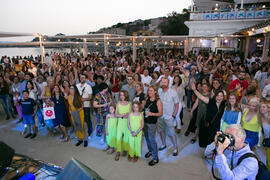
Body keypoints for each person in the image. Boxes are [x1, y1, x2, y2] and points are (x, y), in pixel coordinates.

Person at [192, 82, 226, 147]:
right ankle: (206, 152)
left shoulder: (223, 104)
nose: (219, 97)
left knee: (214, 141)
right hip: (207, 125)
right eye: (218, 95)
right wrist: (194, 90)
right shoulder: (210, 102)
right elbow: (201, 97)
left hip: (216, 126)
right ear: (215, 96)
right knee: (206, 141)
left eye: (221, 96)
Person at [158, 77, 179, 156]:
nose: (163, 84)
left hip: (169, 117)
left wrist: (173, 116)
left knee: (172, 133)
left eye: (165, 82)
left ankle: (175, 148)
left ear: (168, 83)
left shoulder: (173, 92)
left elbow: (177, 105)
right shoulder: (159, 91)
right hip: (160, 116)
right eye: (162, 82)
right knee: (161, 131)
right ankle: (163, 144)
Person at [143, 85, 163, 166]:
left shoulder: (158, 101)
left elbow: (160, 113)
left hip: (152, 123)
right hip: (145, 122)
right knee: (147, 138)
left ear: (155, 91)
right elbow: (144, 109)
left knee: (152, 139)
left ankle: (155, 158)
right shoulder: (147, 99)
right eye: (149, 90)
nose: (150, 92)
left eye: (151, 90)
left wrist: (152, 113)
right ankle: (150, 151)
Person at [115, 90, 131, 161]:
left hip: (127, 122)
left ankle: (125, 149)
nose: (122, 96)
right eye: (121, 95)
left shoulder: (129, 104)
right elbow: (116, 114)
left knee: (126, 137)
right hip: (120, 122)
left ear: (126, 95)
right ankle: (118, 152)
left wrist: (127, 115)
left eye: (123, 95)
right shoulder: (118, 103)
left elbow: (130, 114)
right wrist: (121, 115)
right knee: (118, 137)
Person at [76, 74, 93, 138]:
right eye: (81, 77)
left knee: (87, 119)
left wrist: (84, 99)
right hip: (78, 105)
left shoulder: (88, 86)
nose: (82, 79)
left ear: (86, 79)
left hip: (86, 106)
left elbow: (90, 97)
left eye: (83, 78)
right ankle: (81, 133)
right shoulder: (77, 86)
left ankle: (90, 133)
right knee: (79, 119)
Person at [259, 102, 270, 170]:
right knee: (267, 159)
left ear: (268, 109)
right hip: (267, 141)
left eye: (264, 107)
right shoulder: (261, 118)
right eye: (261, 107)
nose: (261, 108)